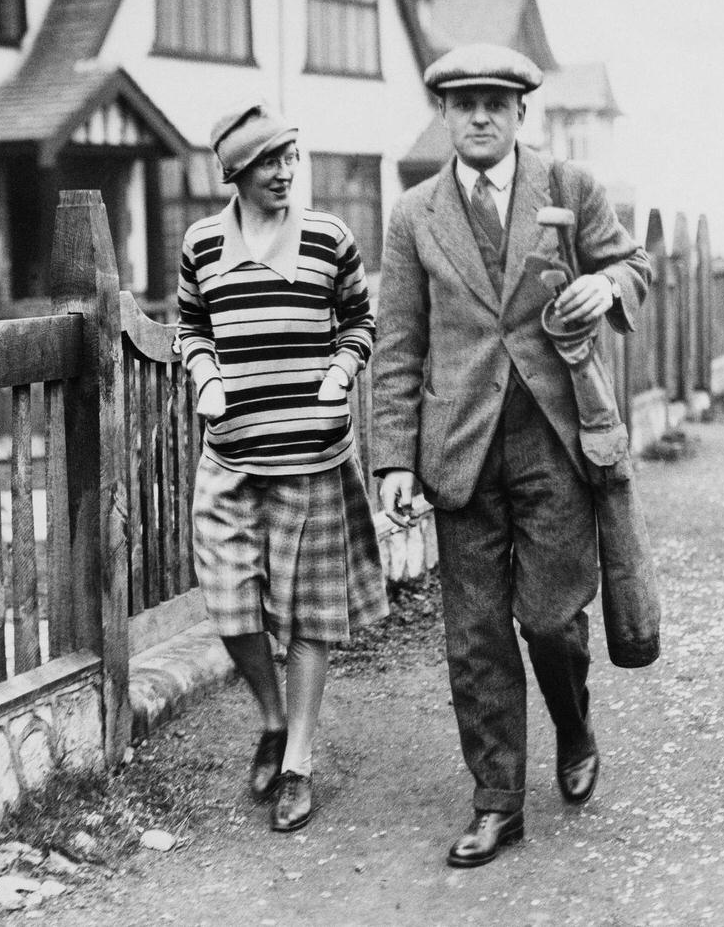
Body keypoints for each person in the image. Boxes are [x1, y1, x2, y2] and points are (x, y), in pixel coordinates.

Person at [371, 44, 655, 868]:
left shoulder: (567, 189)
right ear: (446, 116)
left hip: (552, 440)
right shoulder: (415, 214)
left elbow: (633, 262)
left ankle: (573, 723)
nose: (482, 116)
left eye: (497, 101)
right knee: (475, 638)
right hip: (459, 450)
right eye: (465, 105)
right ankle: (497, 801)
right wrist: (392, 458)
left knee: (551, 621)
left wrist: (607, 287)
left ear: (522, 110)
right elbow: (399, 345)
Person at [177, 100, 387, 833]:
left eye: (291, 157)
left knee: (307, 617)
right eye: (269, 161)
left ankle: (297, 761)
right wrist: (203, 373)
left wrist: (342, 369)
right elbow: (190, 325)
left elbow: (361, 319)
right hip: (232, 457)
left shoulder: (329, 239)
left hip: (311, 460)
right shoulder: (202, 245)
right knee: (229, 602)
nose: (285, 173)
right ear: (235, 172)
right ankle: (271, 717)